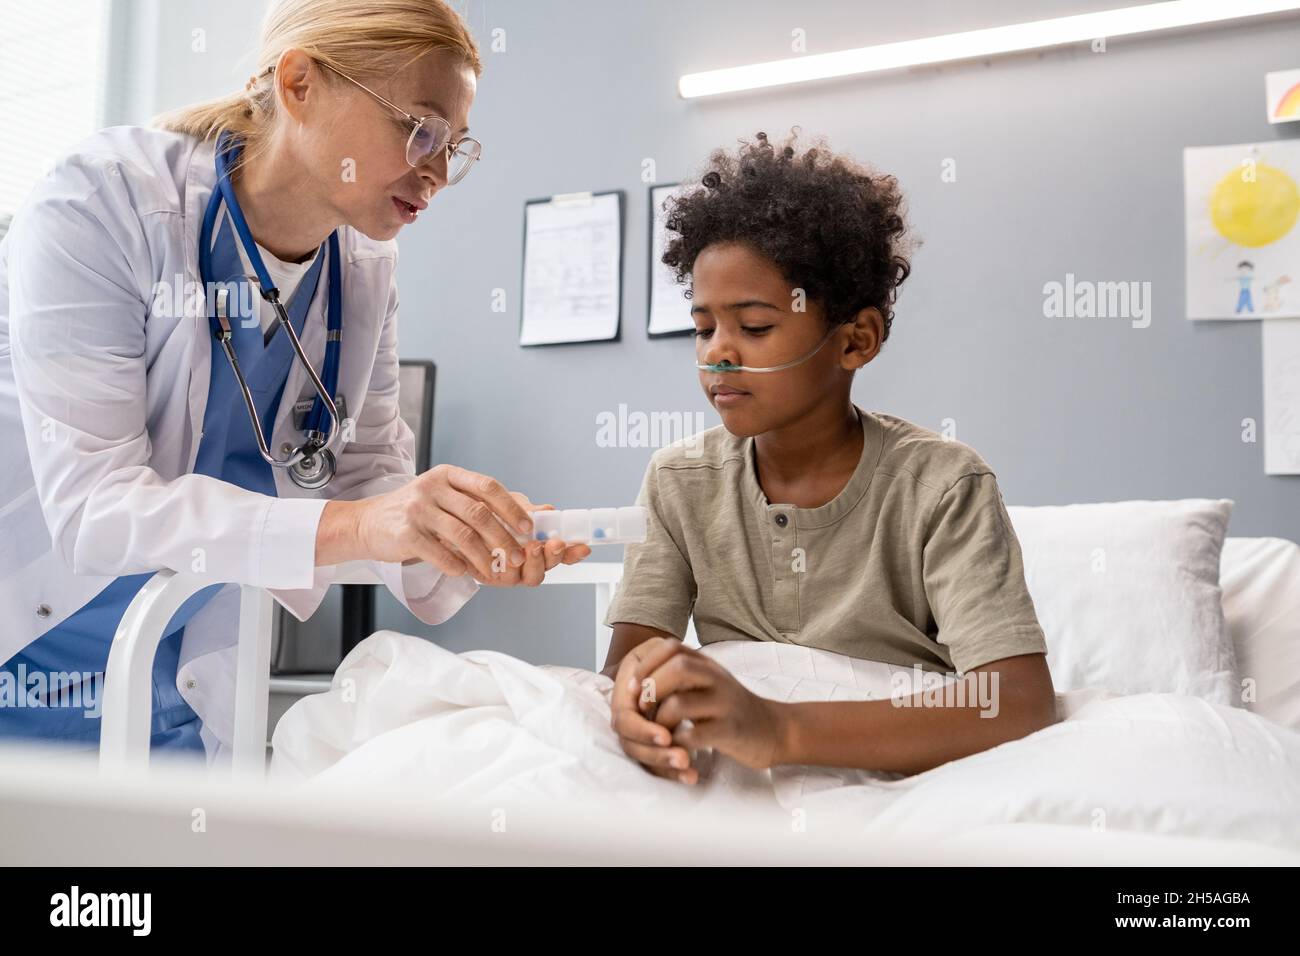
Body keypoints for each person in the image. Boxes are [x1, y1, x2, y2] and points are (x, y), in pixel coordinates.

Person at [0, 0, 588, 759]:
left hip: (164, 679)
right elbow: (95, 509)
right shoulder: (104, 203)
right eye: (420, 129)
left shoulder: (364, 271)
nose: (439, 172)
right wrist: (368, 524)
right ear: (300, 83)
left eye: (455, 145)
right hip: (22, 642)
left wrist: (463, 536)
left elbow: (374, 481)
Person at [602, 131, 1057, 784]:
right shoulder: (679, 483)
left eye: (754, 326)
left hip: (906, 774)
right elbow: (629, 671)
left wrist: (782, 728)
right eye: (703, 328)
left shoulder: (941, 485)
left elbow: (1015, 699)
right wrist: (638, 709)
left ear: (856, 340)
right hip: (731, 771)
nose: (717, 353)